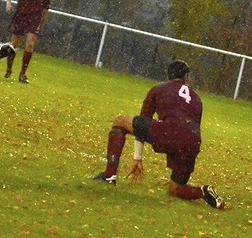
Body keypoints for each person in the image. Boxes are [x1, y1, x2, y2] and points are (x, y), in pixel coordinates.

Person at [90, 60, 225, 210]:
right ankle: (203, 192)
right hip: (192, 141)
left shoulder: (158, 88)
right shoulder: (197, 98)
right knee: (175, 190)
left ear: (168, 75)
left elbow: (143, 121)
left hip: (169, 131)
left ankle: (109, 175)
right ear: (186, 77)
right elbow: (194, 126)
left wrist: (138, 158)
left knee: (120, 121)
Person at [4, 0, 53, 84]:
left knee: (30, 43)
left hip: (35, 17)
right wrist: (8, 3)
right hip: (21, 15)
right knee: (14, 44)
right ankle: (9, 69)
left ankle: (23, 74)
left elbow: (46, 4)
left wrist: (43, 20)